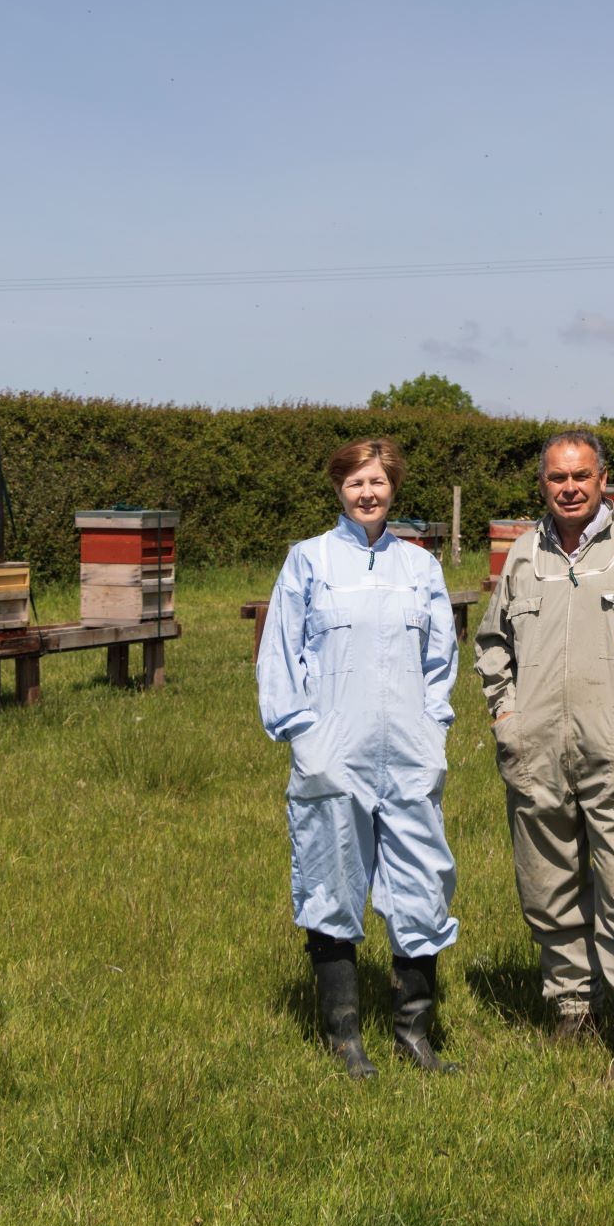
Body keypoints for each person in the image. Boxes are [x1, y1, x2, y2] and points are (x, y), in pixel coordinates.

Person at [474, 429, 614, 1084]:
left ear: (604, 479)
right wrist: (507, 715)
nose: (569, 487)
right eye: (556, 478)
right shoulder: (523, 556)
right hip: (535, 752)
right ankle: (573, 1007)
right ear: (542, 485)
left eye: (581, 475)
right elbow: (493, 644)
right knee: (546, 886)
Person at [256, 437, 460, 1078]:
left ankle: (414, 1031)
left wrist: (432, 731)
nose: (367, 493)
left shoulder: (420, 568)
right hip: (333, 750)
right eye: (354, 482)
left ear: (394, 486)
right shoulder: (307, 561)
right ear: (338, 488)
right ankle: (345, 1039)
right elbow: (280, 655)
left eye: (377, 481)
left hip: (407, 751)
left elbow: (440, 661)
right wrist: (303, 736)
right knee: (332, 881)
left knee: (422, 881)